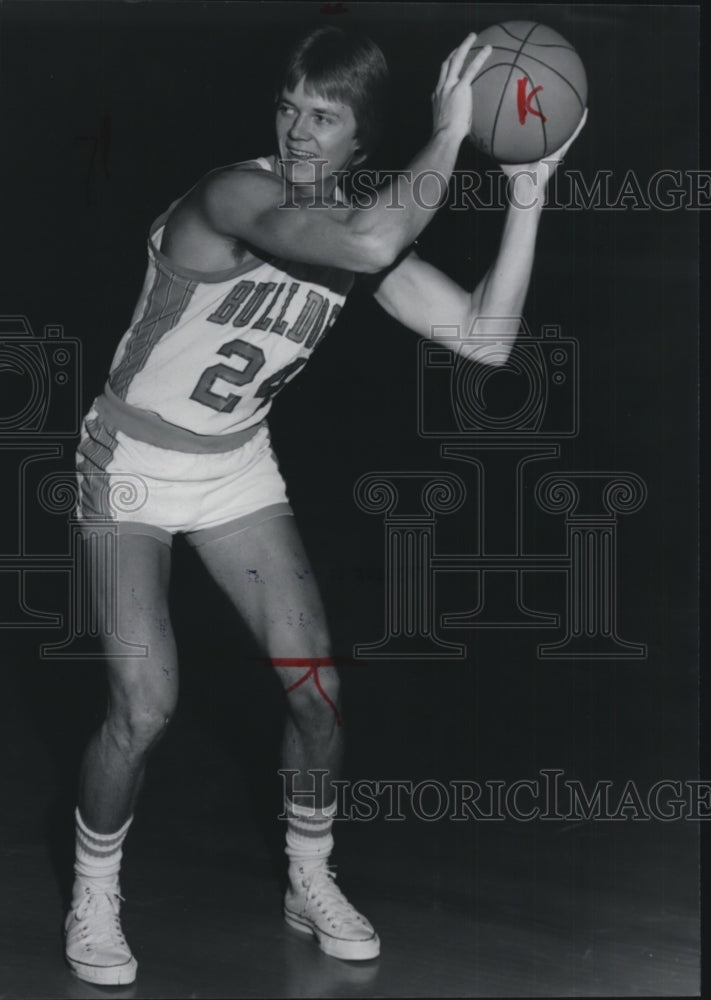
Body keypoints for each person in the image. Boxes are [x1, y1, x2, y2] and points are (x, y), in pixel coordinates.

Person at [64, 25, 586, 985]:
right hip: (131, 465)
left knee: (318, 694)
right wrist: (453, 130)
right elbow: (373, 235)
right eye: (289, 106)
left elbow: (485, 342)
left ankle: (309, 877)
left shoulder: (356, 223)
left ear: (358, 141)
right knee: (145, 708)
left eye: (324, 117)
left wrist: (526, 193)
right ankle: (93, 894)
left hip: (236, 475)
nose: (299, 131)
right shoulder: (234, 195)